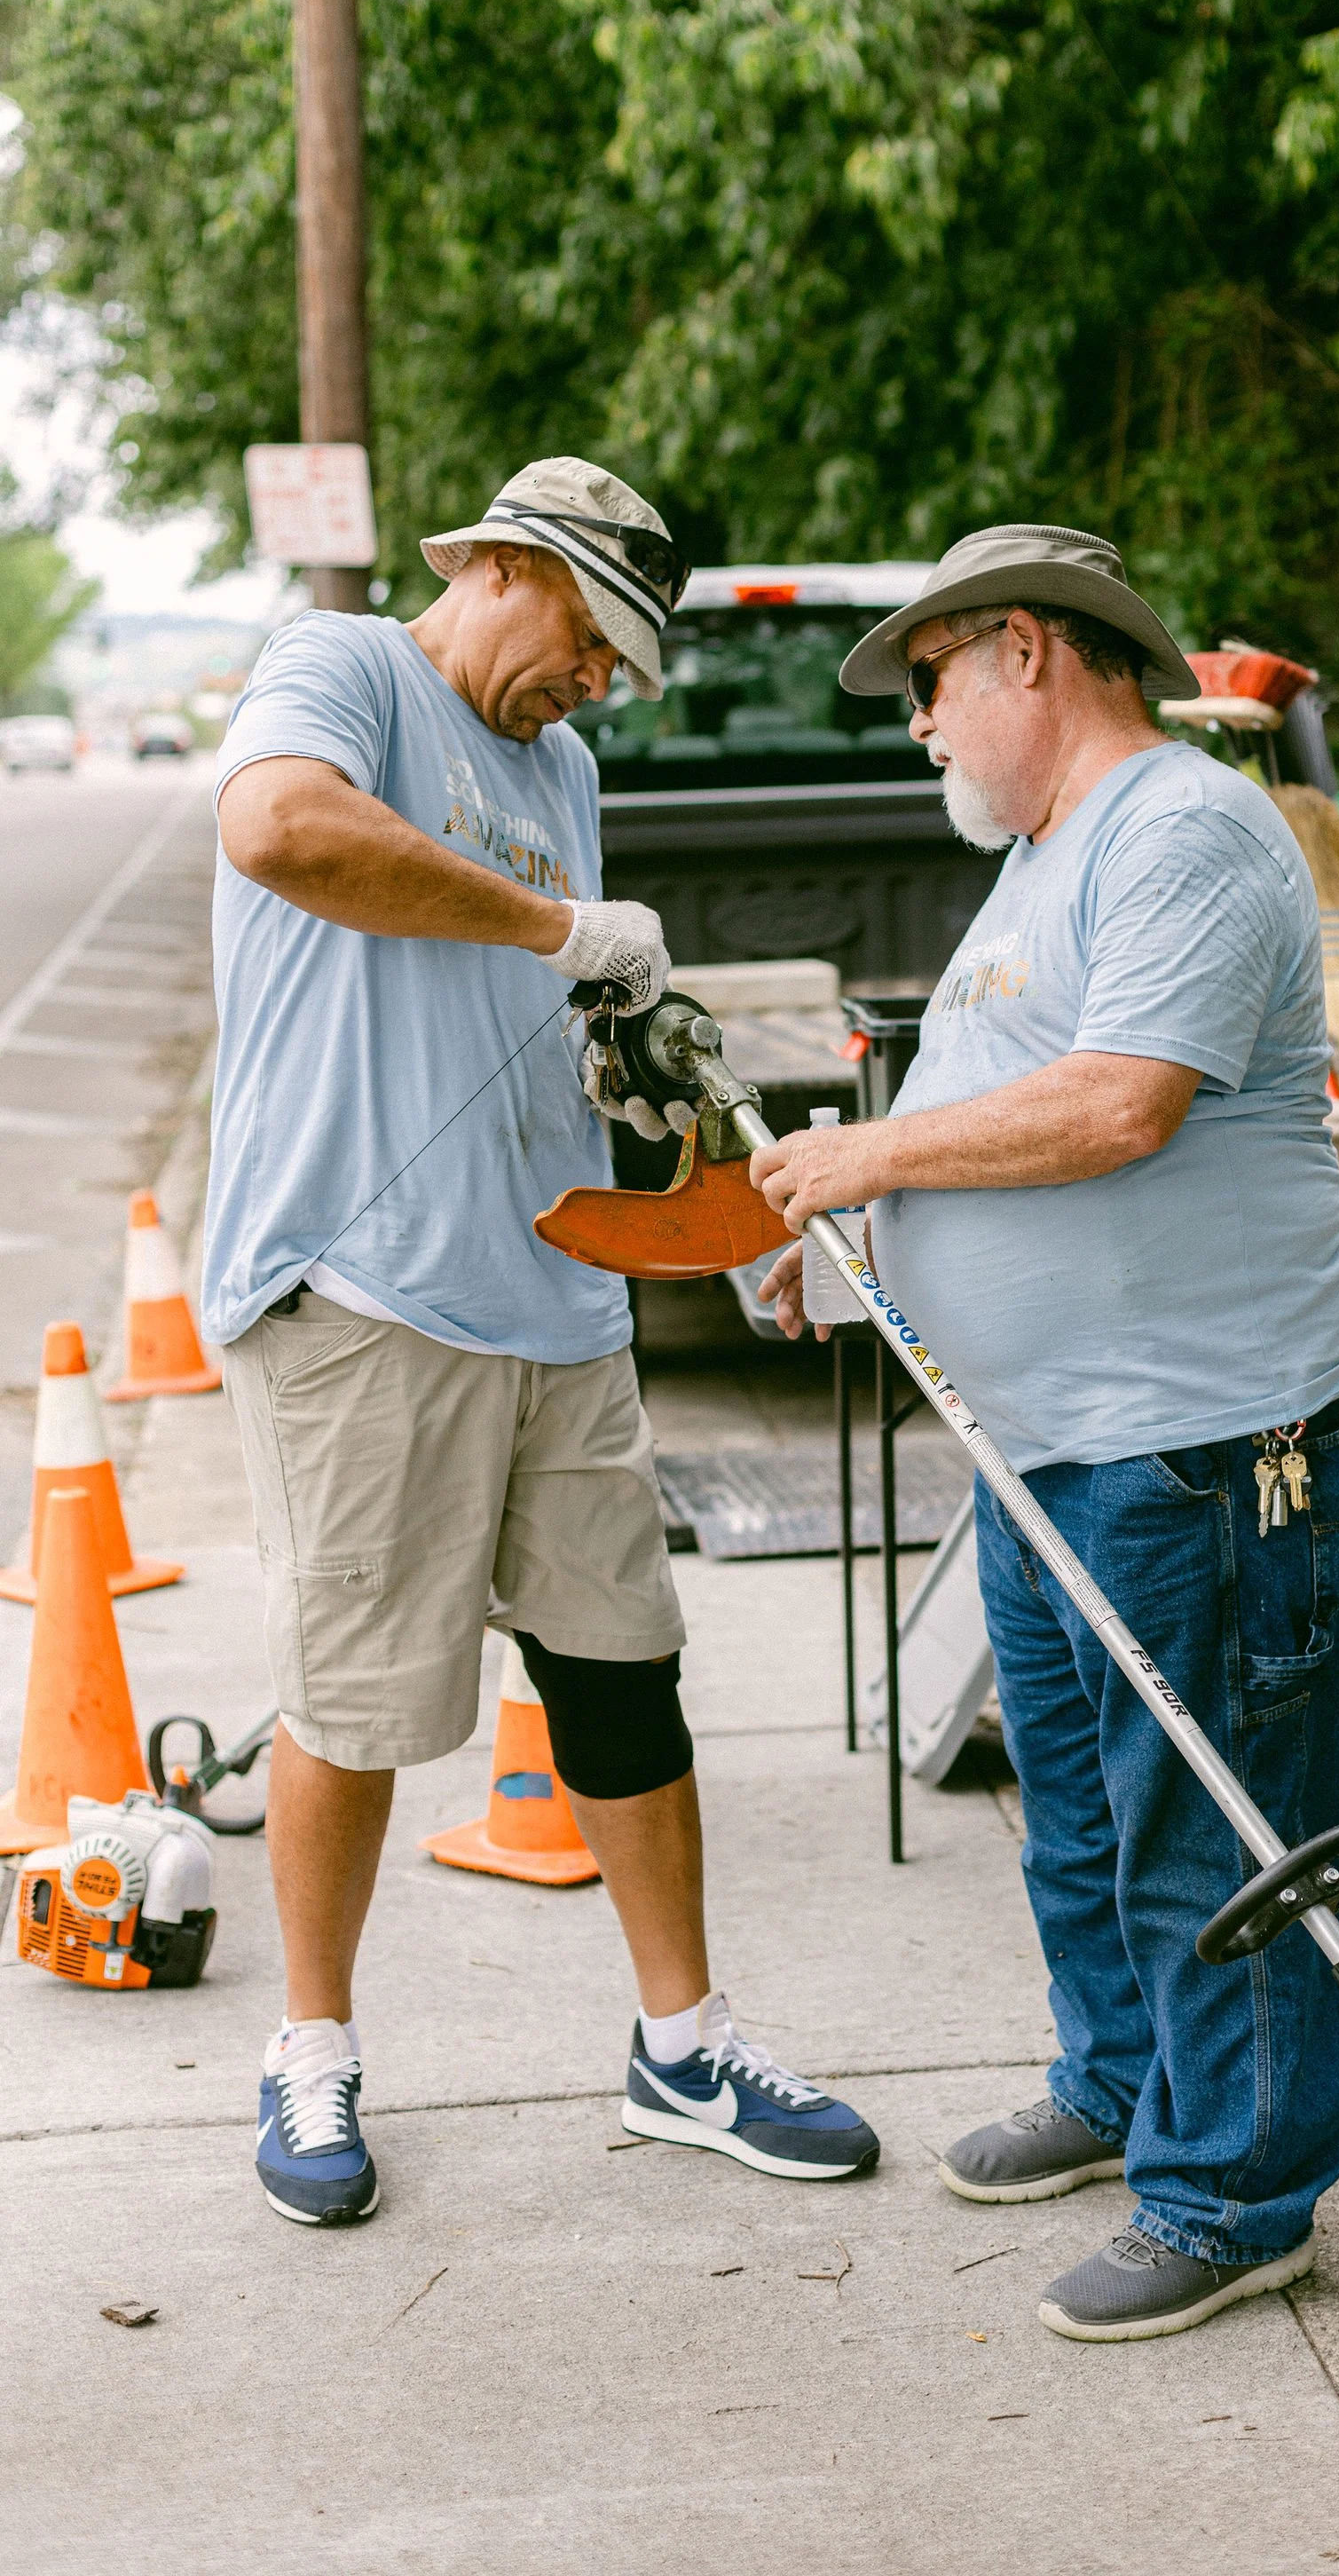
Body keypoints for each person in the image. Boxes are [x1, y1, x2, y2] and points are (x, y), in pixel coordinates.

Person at [205, 456, 877, 2226]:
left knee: (618, 1667)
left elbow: (544, 1016)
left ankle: (684, 2045)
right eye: (594, 641)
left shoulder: (563, 768)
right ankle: (314, 2054)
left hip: (557, 1285)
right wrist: (555, 922)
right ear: (503, 565)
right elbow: (280, 832)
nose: (601, 687)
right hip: (360, 1285)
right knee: (353, 1703)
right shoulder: (341, 670)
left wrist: (701, 1176)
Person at [755, 525, 1339, 2342]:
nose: (923, 728)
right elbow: (994, 1099)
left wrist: (864, 1160)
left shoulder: (1180, 828)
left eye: (932, 685)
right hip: (1054, 1447)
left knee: (1211, 1825)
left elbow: (1115, 1105)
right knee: (1079, 1813)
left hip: (1197, 1448)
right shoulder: (1046, 858)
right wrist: (870, 1237)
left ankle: (1237, 2191)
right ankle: (1123, 2090)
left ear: (1028, 653)